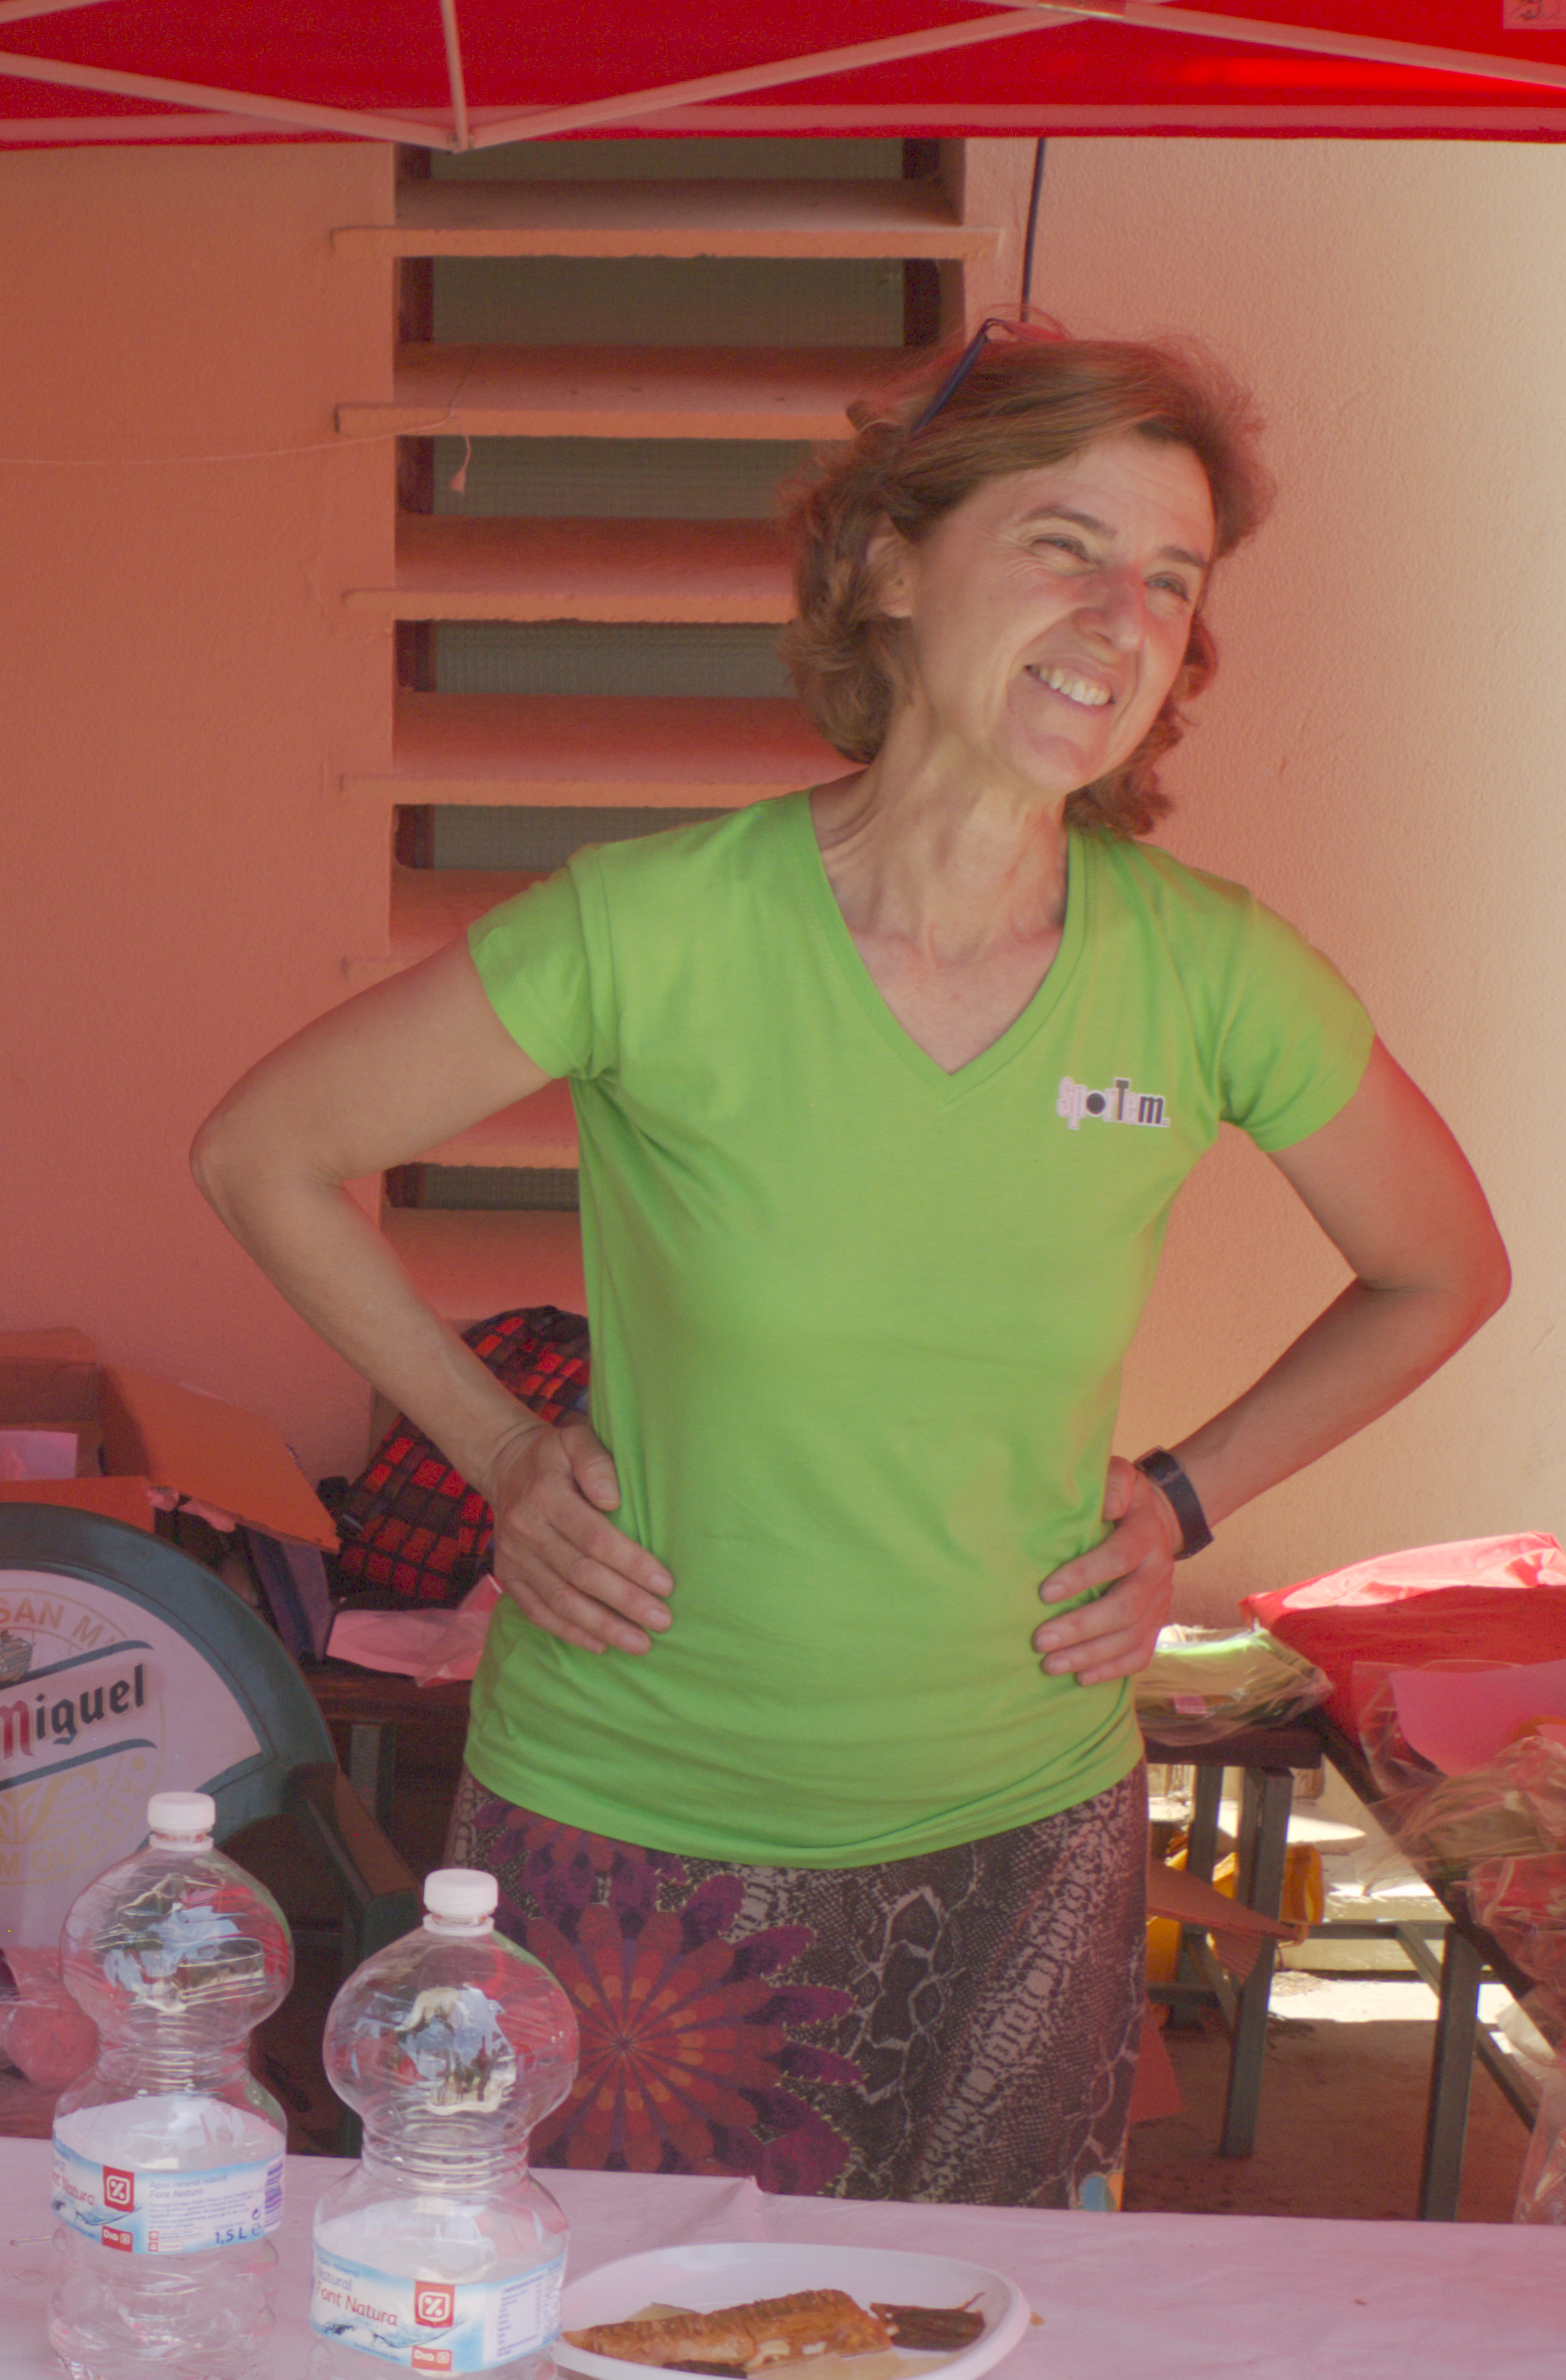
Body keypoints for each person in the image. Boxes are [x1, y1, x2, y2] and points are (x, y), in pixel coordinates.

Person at [191, 327, 1506, 2208]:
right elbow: (263, 1150)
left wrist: (1185, 1495)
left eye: (1171, 579)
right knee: (592, 2326)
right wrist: (496, 1450)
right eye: (1063, 544)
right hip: (627, 1817)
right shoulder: (655, 927)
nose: (1119, 618)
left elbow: (1439, 1268)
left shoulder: (1213, 972)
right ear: (890, 565)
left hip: (1018, 1831)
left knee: (976, 2338)